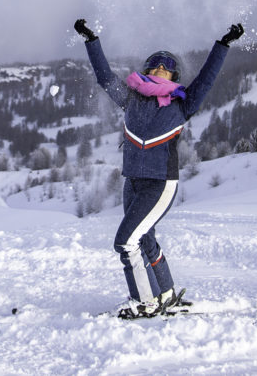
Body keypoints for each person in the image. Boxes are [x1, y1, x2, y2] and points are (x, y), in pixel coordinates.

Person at [74, 18, 244, 319]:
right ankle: (166, 296)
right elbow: (104, 77)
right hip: (133, 183)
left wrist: (223, 44)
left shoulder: (183, 104)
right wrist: (92, 40)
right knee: (145, 239)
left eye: (166, 68)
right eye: (155, 66)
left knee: (126, 242)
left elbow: (207, 78)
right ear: (147, 70)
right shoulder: (131, 98)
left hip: (160, 184)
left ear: (173, 75)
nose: (160, 71)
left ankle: (145, 303)